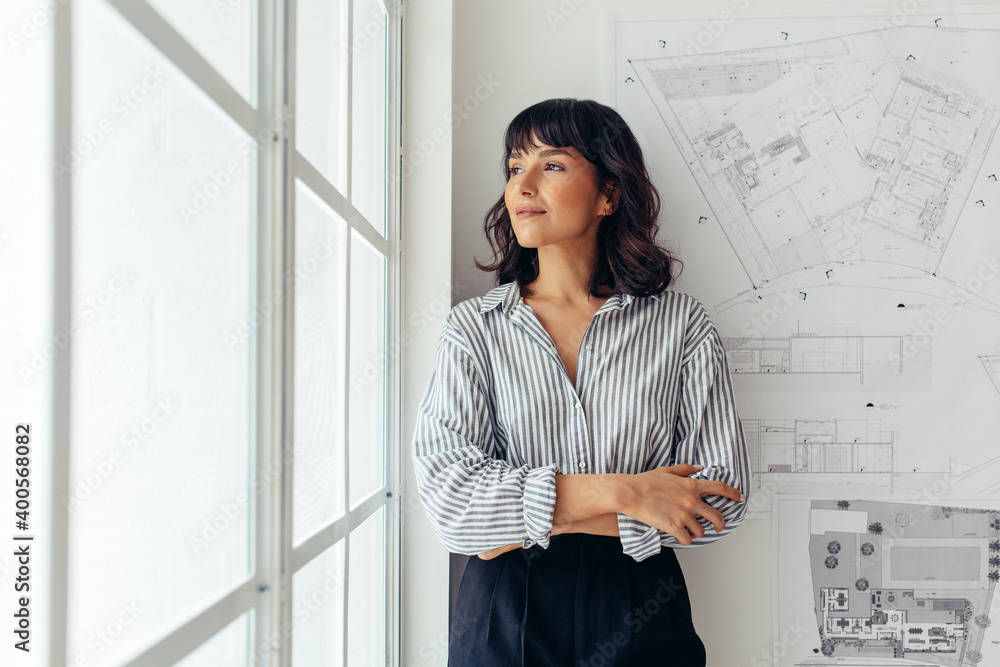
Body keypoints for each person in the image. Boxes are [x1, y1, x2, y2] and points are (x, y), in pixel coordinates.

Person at [410, 98, 751, 666]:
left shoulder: (681, 325)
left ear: (608, 194)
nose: (522, 185)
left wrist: (517, 519)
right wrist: (631, 493)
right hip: (504, 613)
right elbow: (453, 504)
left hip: (642, 604)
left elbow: (719, 502)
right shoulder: (474, 328)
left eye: (553, 165)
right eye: (515, 167)